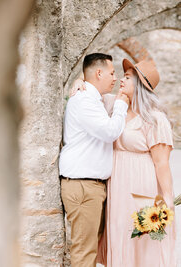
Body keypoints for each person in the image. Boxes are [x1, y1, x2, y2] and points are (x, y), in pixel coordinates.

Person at [71, 59, 176, 267]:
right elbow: (93, 83)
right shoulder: (113, 103)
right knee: (118, 231)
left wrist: (168, 199)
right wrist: (79, 79)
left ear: (139, 85)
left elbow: (162, 164)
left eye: (127, 77)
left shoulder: (155, 119)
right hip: (117, 184)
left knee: (141, 237)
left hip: (141, 186)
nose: (120, 79)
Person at [59, 53, 130, 267]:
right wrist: (121, 104)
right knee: (84, 251)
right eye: (112, 72)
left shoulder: (93, 99)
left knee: (90, 249)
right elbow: (110, 131)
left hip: (91, 186)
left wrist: (79, 80)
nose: (115, 78)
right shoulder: (84, 101)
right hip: (83, 186)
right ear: (98, 73)